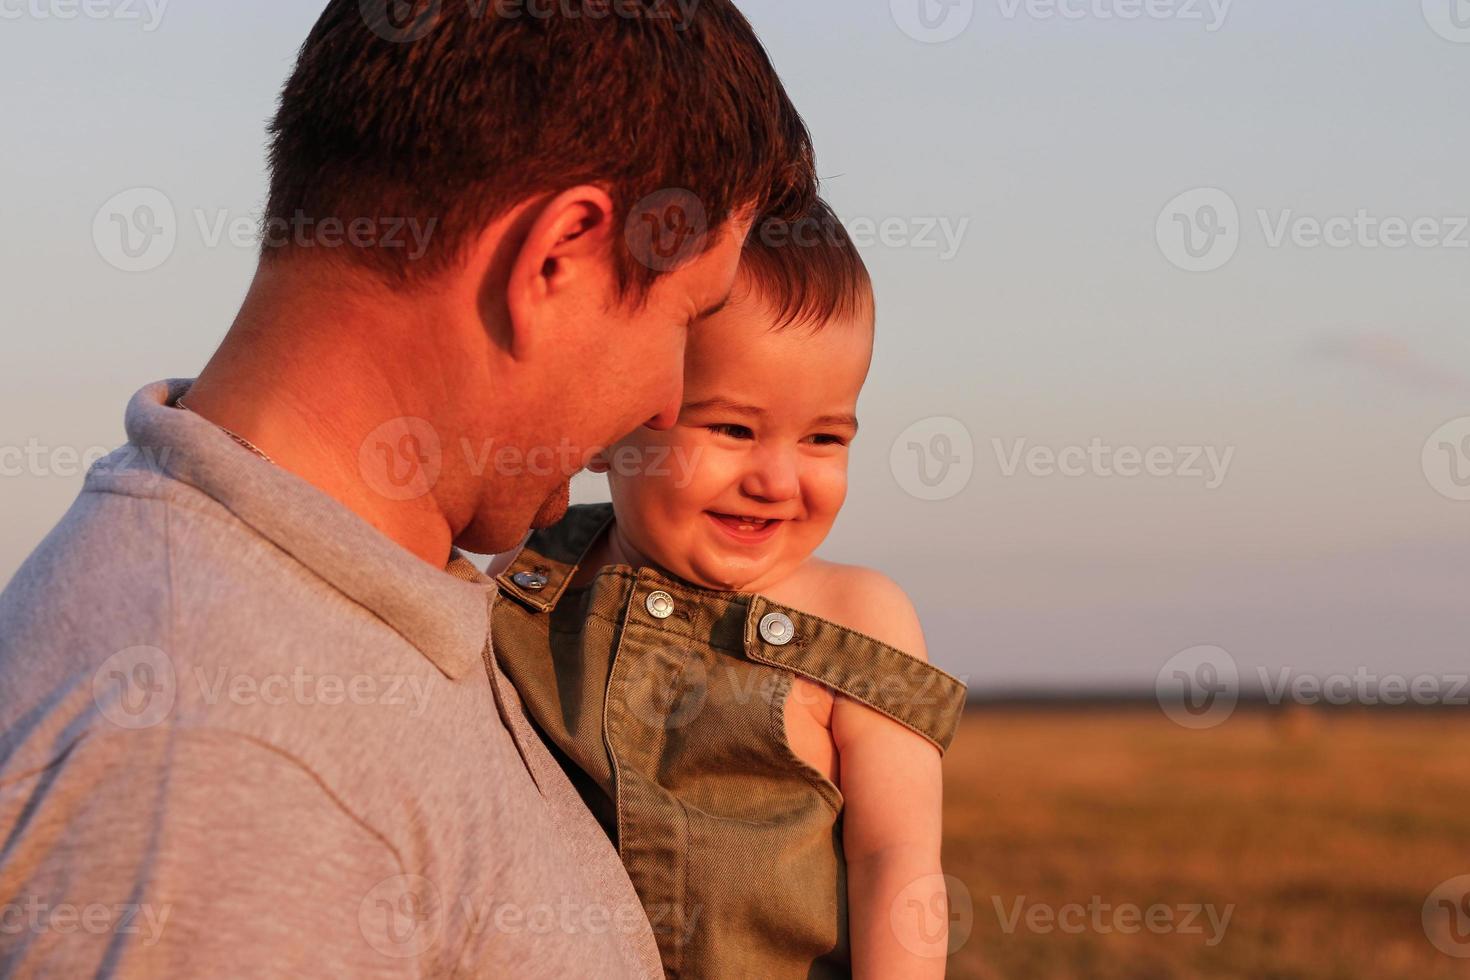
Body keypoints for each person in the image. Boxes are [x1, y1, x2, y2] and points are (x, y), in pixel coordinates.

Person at [0, 1, 817, 974]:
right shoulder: (228, 761)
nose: (665, 404)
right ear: (557, 258)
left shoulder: (335, 608)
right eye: (687, 320)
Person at [491, 202, 969, 979]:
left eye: (824, 438)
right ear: (614, 420)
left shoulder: (857, 615)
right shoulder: (532, 572)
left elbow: (897, 858)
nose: (777, 480)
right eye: (733, 430)